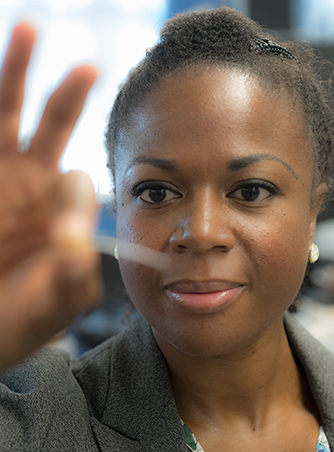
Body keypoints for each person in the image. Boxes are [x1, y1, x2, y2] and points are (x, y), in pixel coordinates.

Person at [0, 6, 333, 452]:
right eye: (156, 192)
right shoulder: (41, 421)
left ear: (313, 212)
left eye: (251, 191)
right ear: (117, 210)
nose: (200, 231)